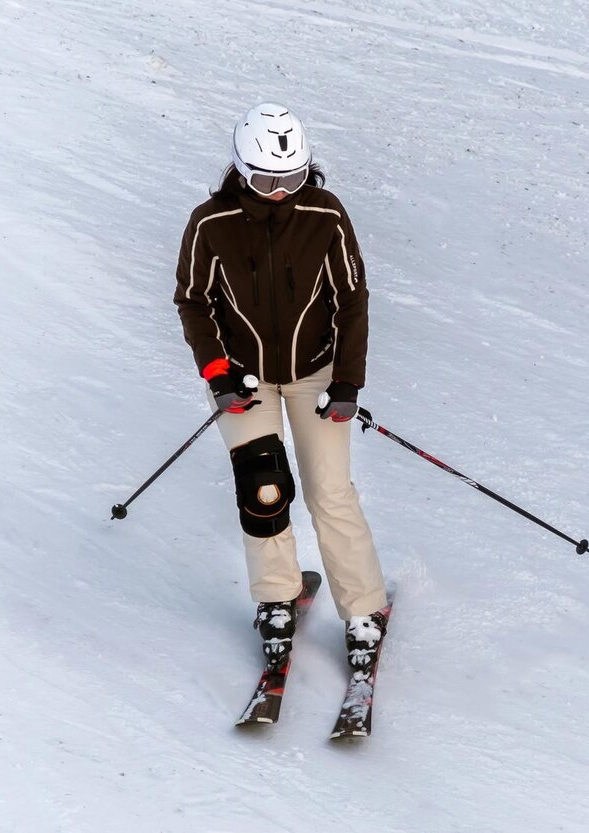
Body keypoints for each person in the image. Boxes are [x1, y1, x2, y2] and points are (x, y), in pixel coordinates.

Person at [173, 102, 388, 673]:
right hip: (243, 379)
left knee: (328, 490)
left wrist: (348, 382)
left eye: (290, 179)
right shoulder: (210, 222)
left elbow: (352, 300)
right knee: (261, 489)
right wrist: (217, 374)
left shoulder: (327, 215)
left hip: (316, 374)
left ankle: (364, 608)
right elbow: (194, 302)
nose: (278, 192)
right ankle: (276, 597)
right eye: (266, 180)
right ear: (241, 169)